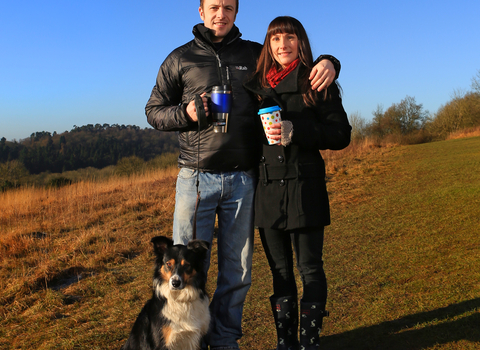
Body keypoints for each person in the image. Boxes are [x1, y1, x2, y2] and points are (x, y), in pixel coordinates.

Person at [145, 1, 340, 348]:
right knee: (187, 269)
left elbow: (291, 56)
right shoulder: (179, 59)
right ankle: (185, 341)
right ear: (201, 11)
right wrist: (185, 112)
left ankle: (224, 340)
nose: (221, 14)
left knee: (237, 273)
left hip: (243, 179)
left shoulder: (254, 54)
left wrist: (330, 61)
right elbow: (154, 111)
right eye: (214, 7)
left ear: (236, 13)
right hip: (196, 178)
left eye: (229, 8)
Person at [243, 16, 351, 350]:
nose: (283, 45)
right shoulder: (255, 87)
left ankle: (309, 343)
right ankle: (285, 343)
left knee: (310, 269)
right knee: (280, 273)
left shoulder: (317, 80)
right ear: (268, 45)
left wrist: (297, 132)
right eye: (275, 40)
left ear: (300, 42)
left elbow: (341, 135)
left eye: (289, 38)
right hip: (268, 191)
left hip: (306, 189)